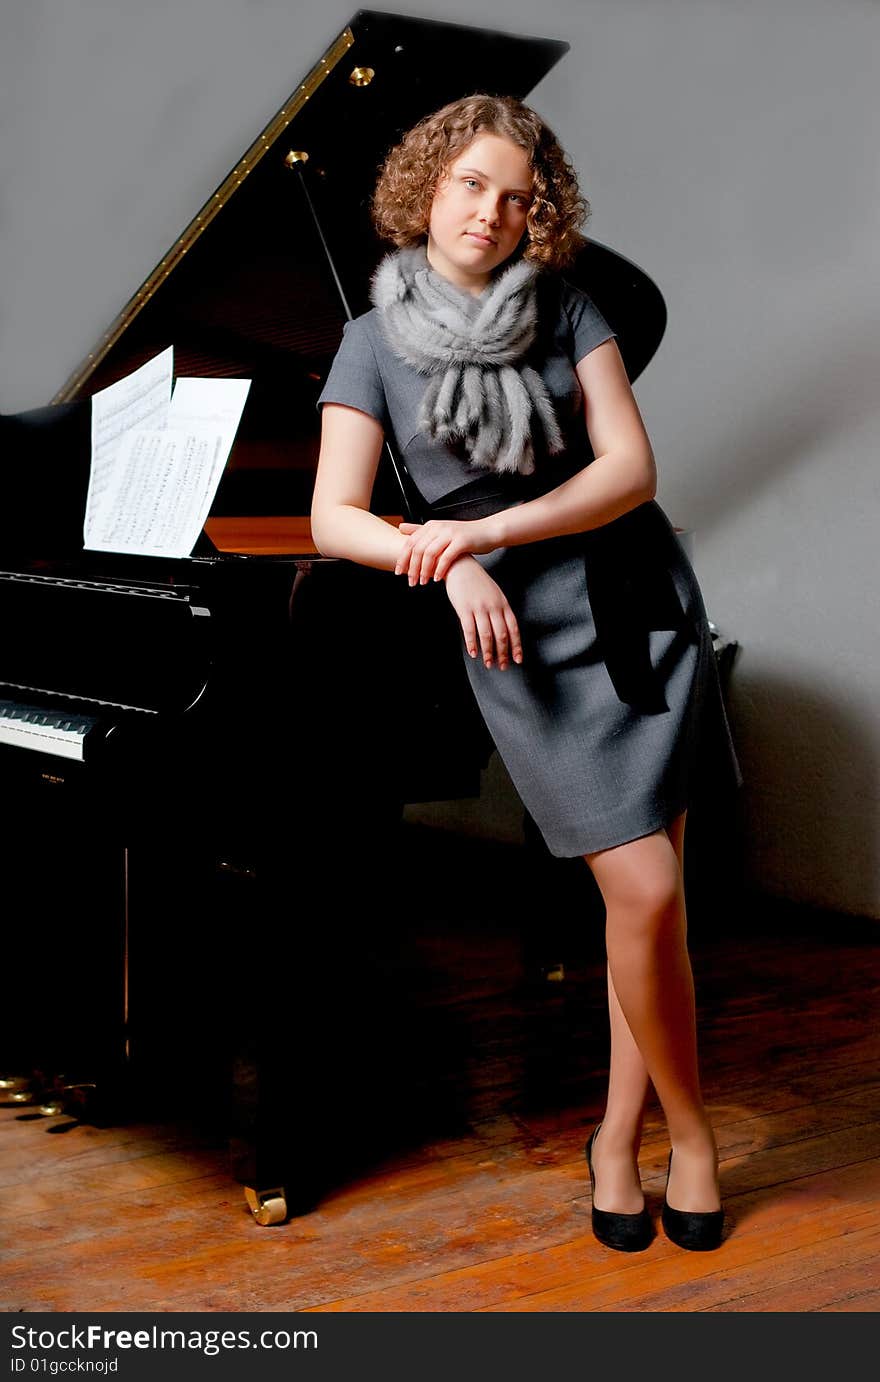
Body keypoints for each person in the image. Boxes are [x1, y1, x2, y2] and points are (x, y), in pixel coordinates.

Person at [310, 93, 742, 1254]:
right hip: (516, 637)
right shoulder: (370, 340)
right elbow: (334, 514)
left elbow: (630, 472)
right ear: (426, 187)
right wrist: (440, 561)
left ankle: (634, 1137)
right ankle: (686, 1130)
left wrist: (486, 537)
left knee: (649, 908)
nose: (489, 212)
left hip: (633, 601)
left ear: (533, 213)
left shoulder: (571, 309)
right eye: (468, 186)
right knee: (642, 894)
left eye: (514, 196)